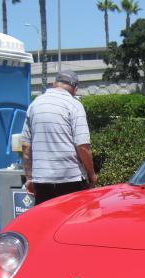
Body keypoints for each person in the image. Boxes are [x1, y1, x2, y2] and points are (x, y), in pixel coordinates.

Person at [20, 70, 97, 204]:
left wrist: (29, 178)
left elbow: (26, 146)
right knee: (72, 223)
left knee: (47, 223)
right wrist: (92, 175)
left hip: (41, 181)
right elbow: (83, 146)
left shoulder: (35, 104)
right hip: (71, 180)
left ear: (54, 84)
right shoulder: (74, 105)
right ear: (75, 89)